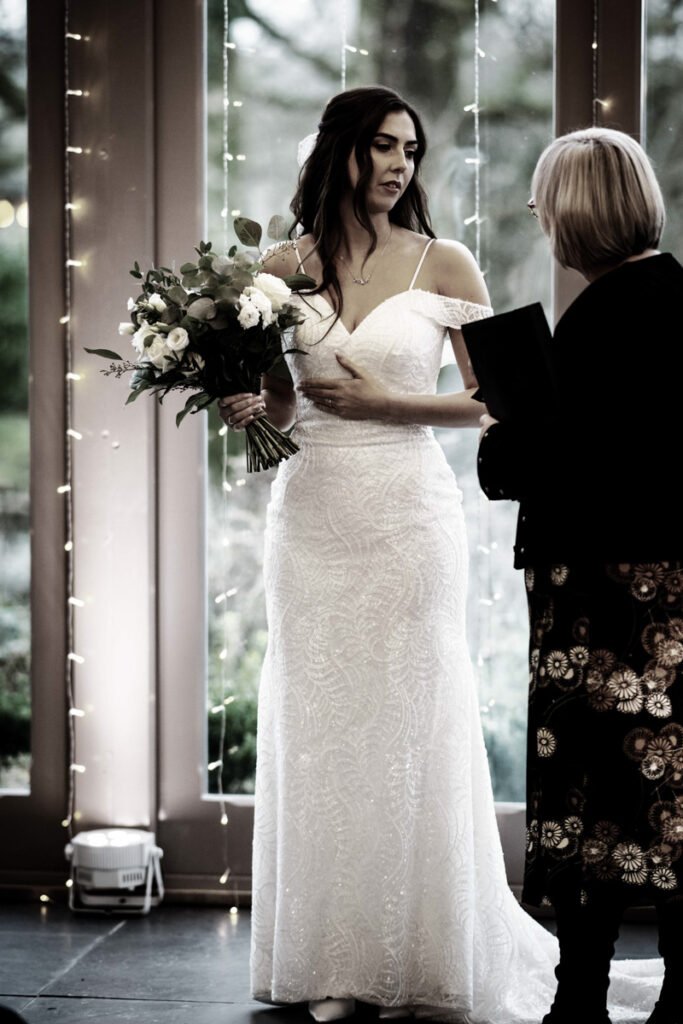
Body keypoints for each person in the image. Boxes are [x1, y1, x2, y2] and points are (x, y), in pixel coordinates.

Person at [219, 95, 661, 1024]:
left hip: (409, 511)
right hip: (310, 513)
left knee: (410, 718)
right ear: (339, 150)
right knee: (320, 718)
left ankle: (415, 946)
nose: (397, 165)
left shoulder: (444, 261)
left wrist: (389, 409)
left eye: (409, 150)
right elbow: (290, 403)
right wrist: (252, 409)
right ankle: (327, 958)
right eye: (381, 146)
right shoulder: (275, 268)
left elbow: (494, 403)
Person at [477, 127, 682, 1024]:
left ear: (579, 208)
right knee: (669, 788)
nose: (535, 211)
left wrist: (502, 436)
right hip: (672, 585)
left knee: (586, 793)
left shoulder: (597, 318)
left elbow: (573, 463)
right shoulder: (677, 297)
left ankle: (580, 997)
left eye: (544, 196)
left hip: (600, 593)